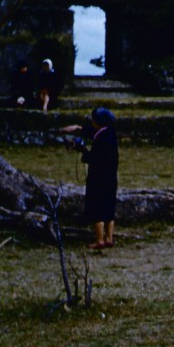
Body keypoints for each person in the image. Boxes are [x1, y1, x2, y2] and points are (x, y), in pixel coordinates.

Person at [61, 107, 119, 250]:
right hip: (111, 177)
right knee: (109, 207)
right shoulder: (110, 134)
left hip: (98, 178)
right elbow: (92, 133)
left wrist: (82, 150)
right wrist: (79, 128)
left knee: (97, 207)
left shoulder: (101, 139)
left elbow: (95, 158)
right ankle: (109, 238)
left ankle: (99, 240)